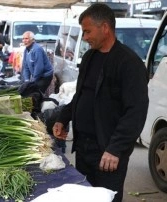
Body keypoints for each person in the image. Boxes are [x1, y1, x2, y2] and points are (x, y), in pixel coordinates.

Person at [52, 4, 149, 202]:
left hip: (108, 152)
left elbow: (136, 111)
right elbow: (81, 95)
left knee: (106, 198)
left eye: (87, 31)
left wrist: (115, 149)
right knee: (85, 197)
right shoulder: (89, 57)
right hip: (84, 148)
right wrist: (63, 118)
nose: (85, 37)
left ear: (105, 28)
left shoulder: (129, 63)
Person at [19, 31, 53, 118]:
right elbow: (25, 67)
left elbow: (39, 68)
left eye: (26, 38)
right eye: (23, 38)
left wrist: (32, 82)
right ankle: (35, 111)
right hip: (37, 76)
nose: (24, 40)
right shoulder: (26, 50)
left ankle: (38, 115)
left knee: (36, 94)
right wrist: (26, 80)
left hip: (44, 76)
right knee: (30, 90)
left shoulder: (37, 49)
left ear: (32, 40)